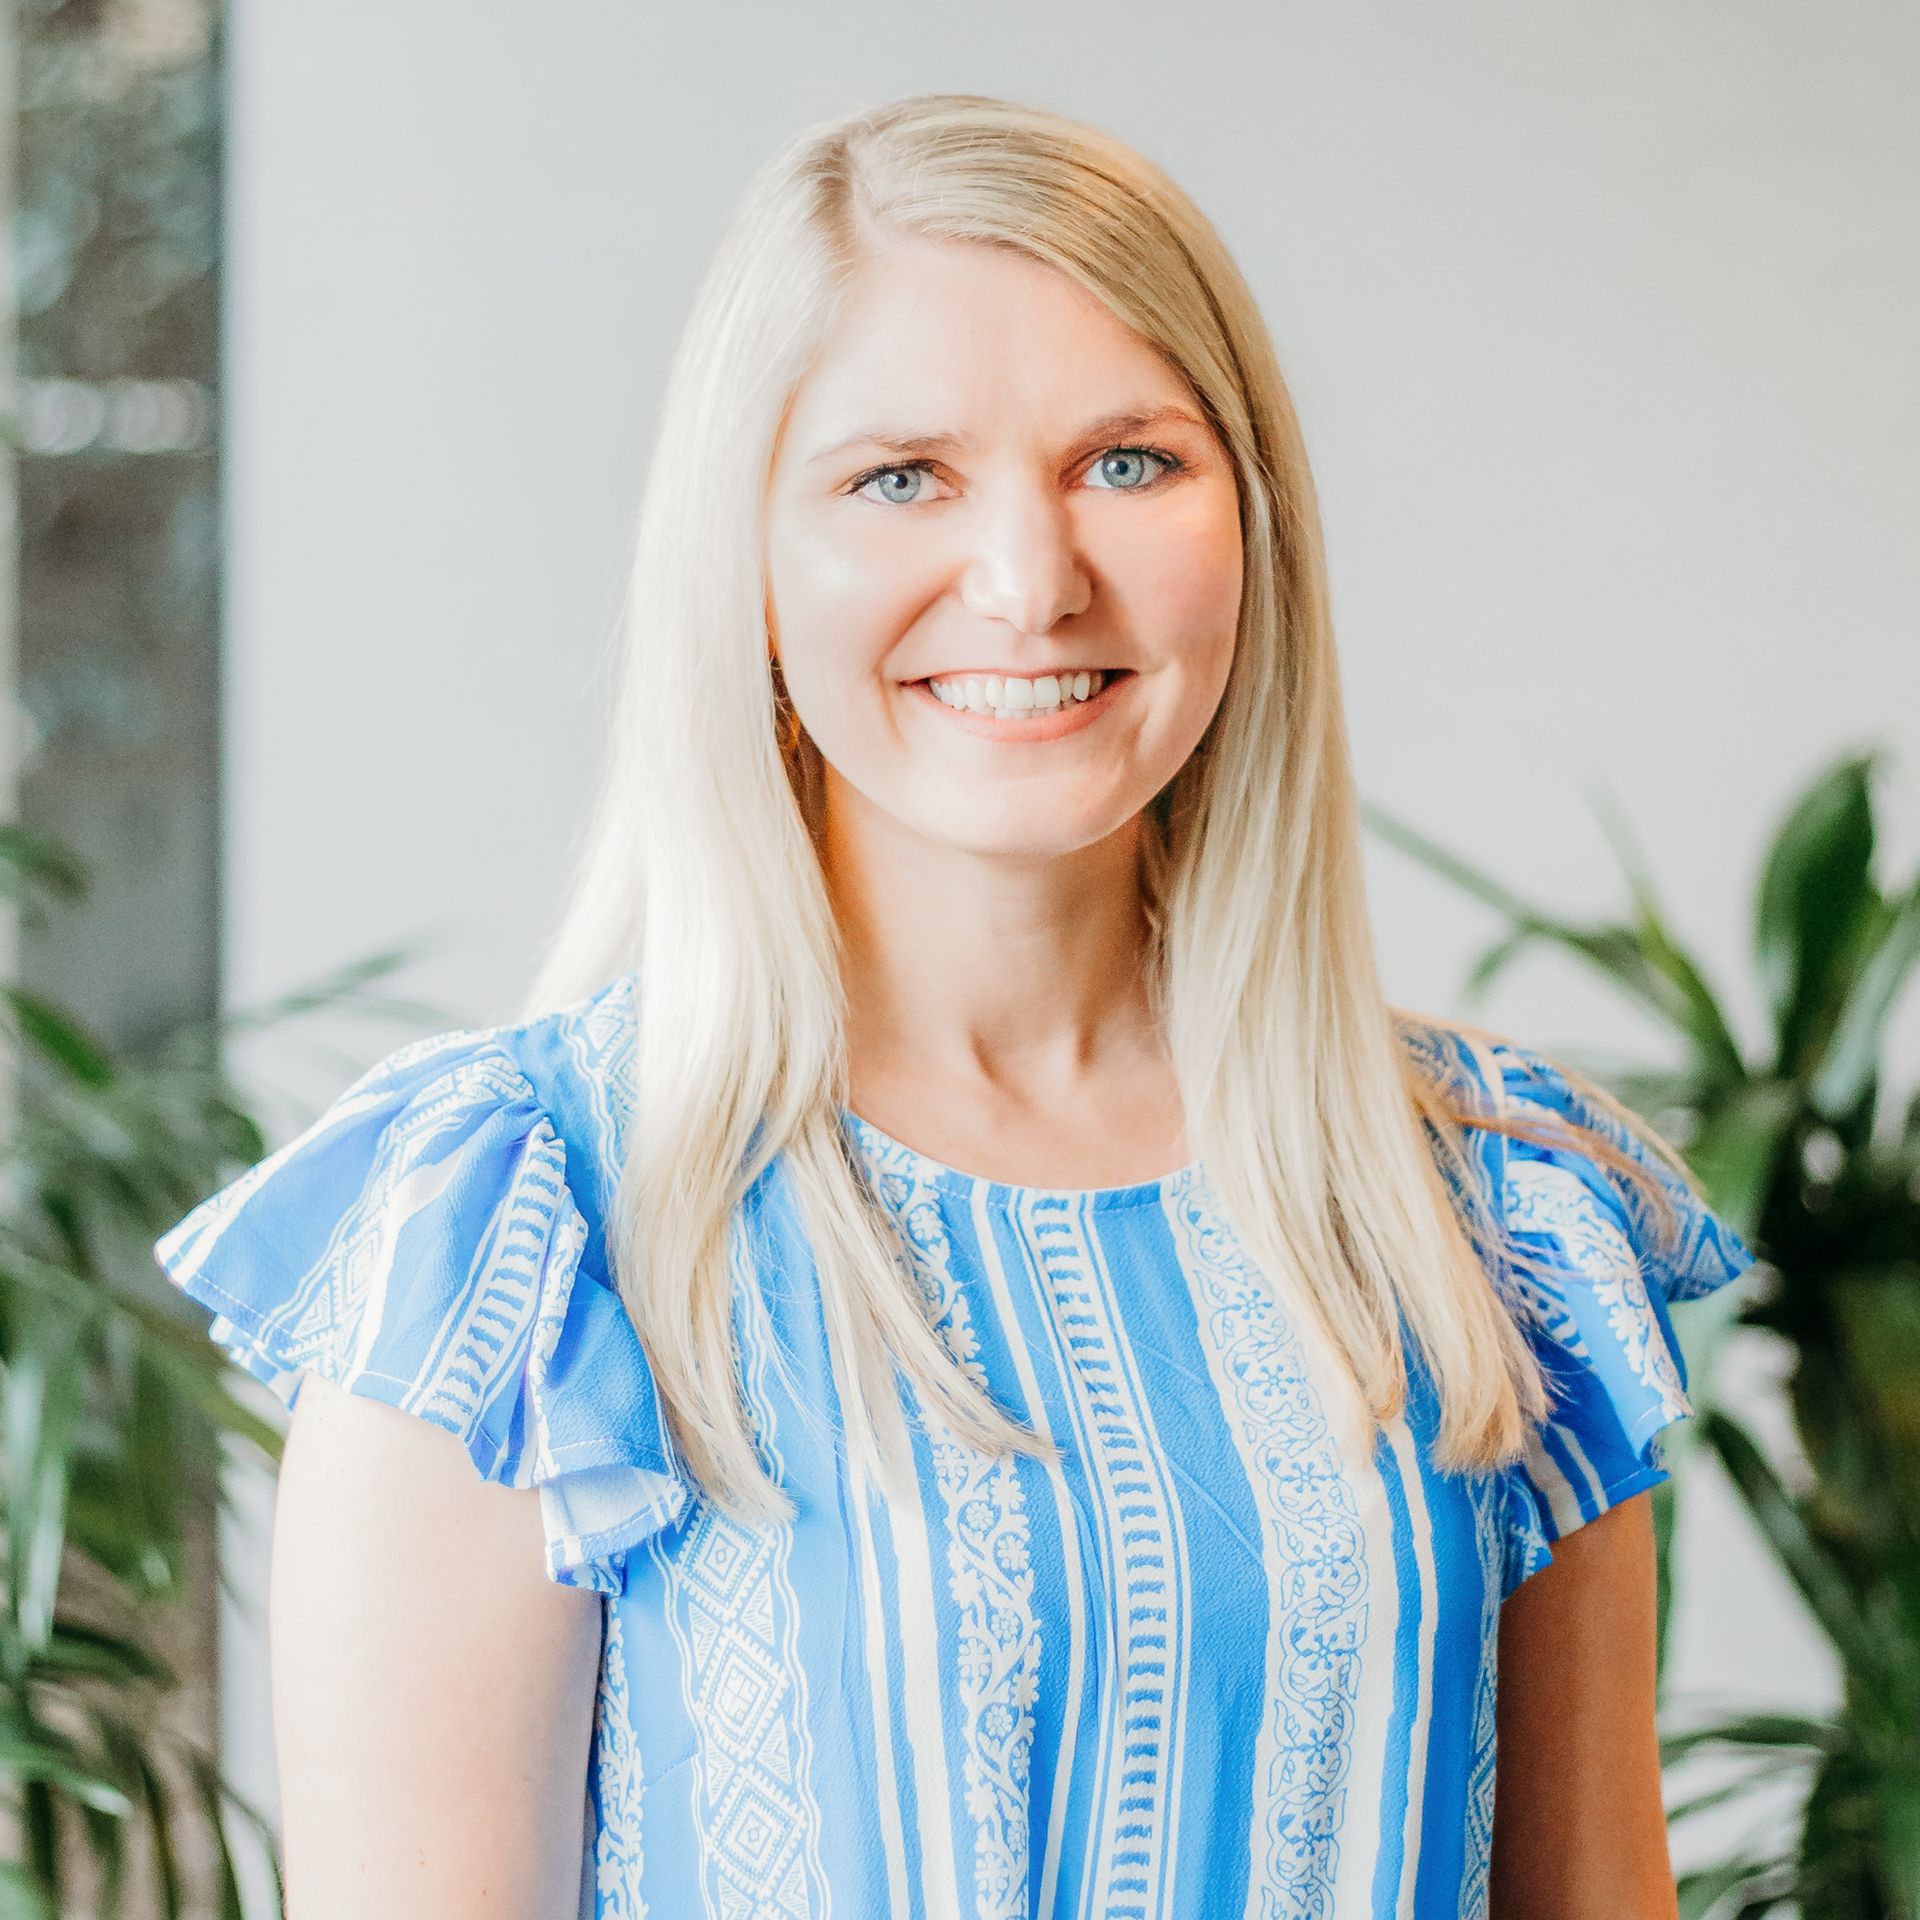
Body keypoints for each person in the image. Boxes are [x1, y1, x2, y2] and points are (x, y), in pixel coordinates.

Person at [158, 95, 1748, 1920]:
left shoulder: (1487, 1213)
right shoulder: (519, 1240)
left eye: (1130, 461)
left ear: (1261, 529)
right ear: (746, 564)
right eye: (898, 475)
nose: (1028, 579)